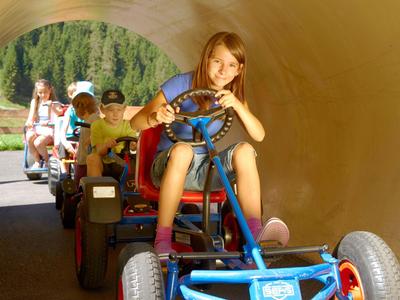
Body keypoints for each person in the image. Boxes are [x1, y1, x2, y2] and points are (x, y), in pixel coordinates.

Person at [130, 32, 290, 255]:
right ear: (206, 60)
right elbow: (134, 123)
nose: (224, 71)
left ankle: (256, 238)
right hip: (167, 166)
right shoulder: (180, 83)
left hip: (205, 169)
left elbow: (259, 135)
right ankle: (163, 239)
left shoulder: (231, 95)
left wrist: (238, 105)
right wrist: (156, 117)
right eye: (217, 62)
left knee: (245, 151)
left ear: (239, 70)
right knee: (184, 151)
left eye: (231, 65)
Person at [86, 90, 137, 178]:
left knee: (142, 160)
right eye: (111, 110)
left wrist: (134, 145)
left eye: (119, 109)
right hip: (103, 163)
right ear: (102, 109)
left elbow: (133, 145)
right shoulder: (97, 125)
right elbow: (99, 151)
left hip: (124, 161)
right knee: (92, 158)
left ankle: (139, 187)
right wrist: (106, 145)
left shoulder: (128, 125)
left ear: (124, 109)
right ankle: (96, 188)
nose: (115, 114)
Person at [25, 79, 63, 169]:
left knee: (38, 142)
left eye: (45, 92)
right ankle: (37, 161)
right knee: (29, 136)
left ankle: (47, 161)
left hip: (50, 131)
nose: (43, 95)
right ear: (37, 92)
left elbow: (60, 113)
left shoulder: (55, 103)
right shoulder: (35, 102)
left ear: (50, 90)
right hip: (38, 128)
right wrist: (29, 122)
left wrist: (52, 107)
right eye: (40, 92)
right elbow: (31, 117)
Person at [70, 81, 99, 185]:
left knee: (79, 181)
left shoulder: (91, 121)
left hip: (85, 161)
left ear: (79, 108)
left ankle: (78, 198)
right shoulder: (95, 118)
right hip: (88, 158)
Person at [58, 81, 82, 175]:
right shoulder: (69, 111)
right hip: (71, 137)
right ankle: (64, 172)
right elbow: (63, 131)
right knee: (62, 145)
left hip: (84, 138)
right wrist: (66, 144)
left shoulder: (89, 111)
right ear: (70, 95)